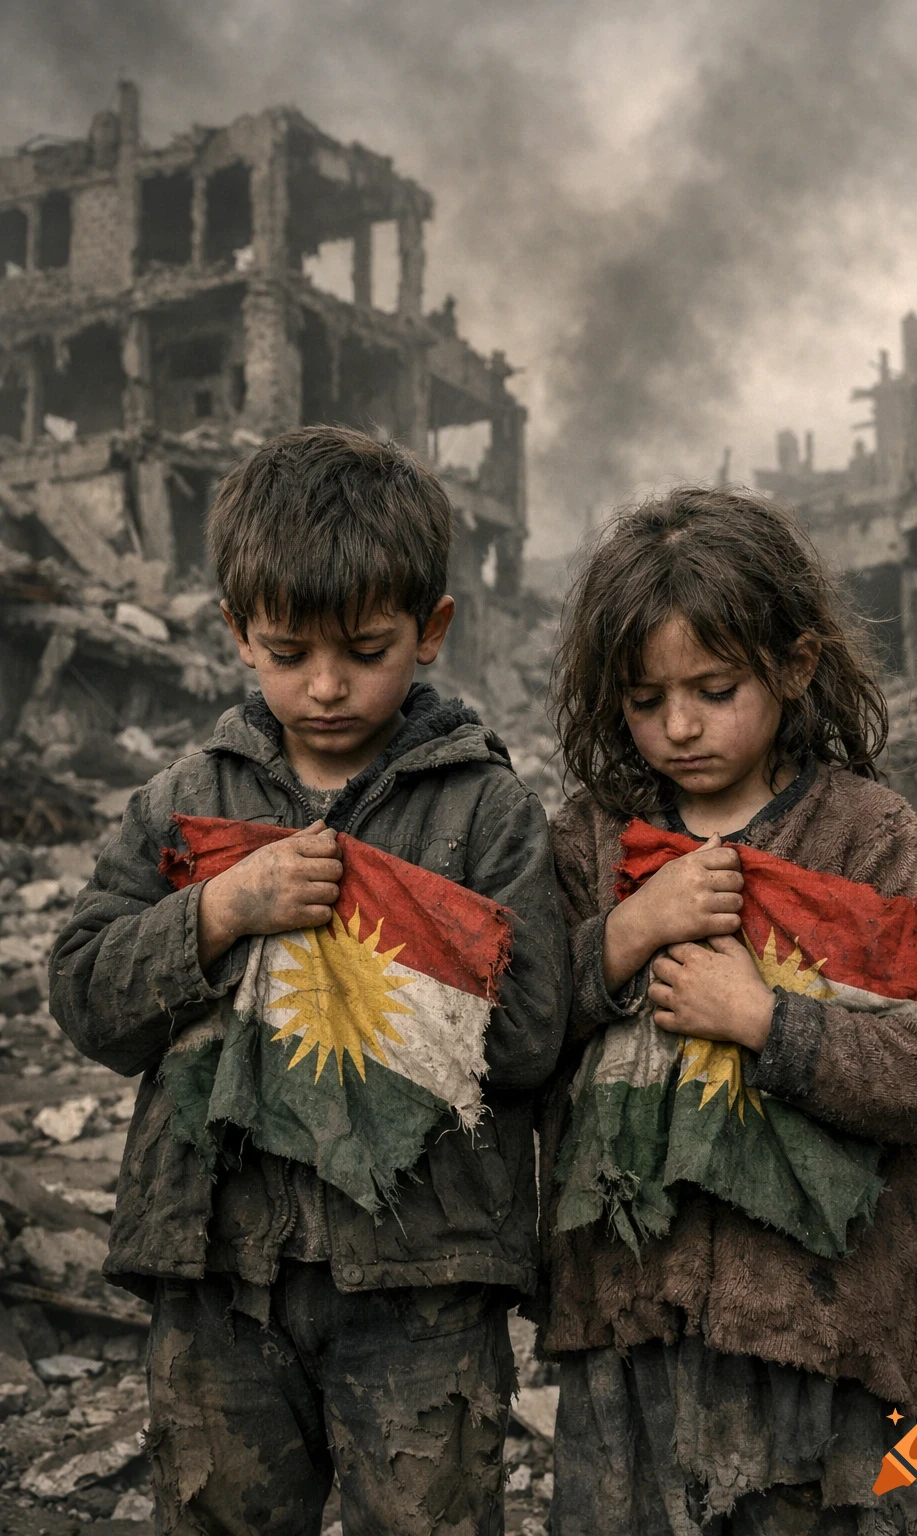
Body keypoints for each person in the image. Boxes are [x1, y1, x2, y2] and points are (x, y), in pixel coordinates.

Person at [49, 425, 571, 1536]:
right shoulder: (186, 801)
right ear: (239, 635)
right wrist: (220, 911)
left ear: (430, 630)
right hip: (216, 1269)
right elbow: (86, 993)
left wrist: (399, 921)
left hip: (422, 1283)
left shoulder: (485, 810)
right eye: (289, 654)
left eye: (364, 650)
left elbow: (530, 1039)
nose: (326, 686)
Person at [538, 487, 917, 1536]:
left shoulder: (864, 837)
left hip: (819, 1334)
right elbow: (514, 1030)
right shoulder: (591, 841)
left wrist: (767, 1022)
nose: (678, 726)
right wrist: (624, 934)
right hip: (627, 1324)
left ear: (793, 665)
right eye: (645, 700)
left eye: (714, 687)